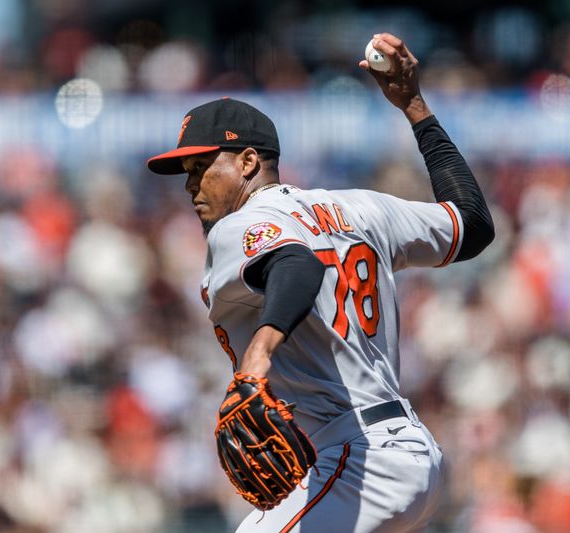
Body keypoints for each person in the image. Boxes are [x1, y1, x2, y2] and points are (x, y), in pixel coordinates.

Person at [147, 32, 494, 533]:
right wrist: (415, 106)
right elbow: (472, 225)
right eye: (186, 171)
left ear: (247, 162)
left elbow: (296, 264)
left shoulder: (238, 225)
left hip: (363, 461)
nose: (190, 185)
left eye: (203, 167)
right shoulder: (361, 207)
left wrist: (259, 352)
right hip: (401, 452)